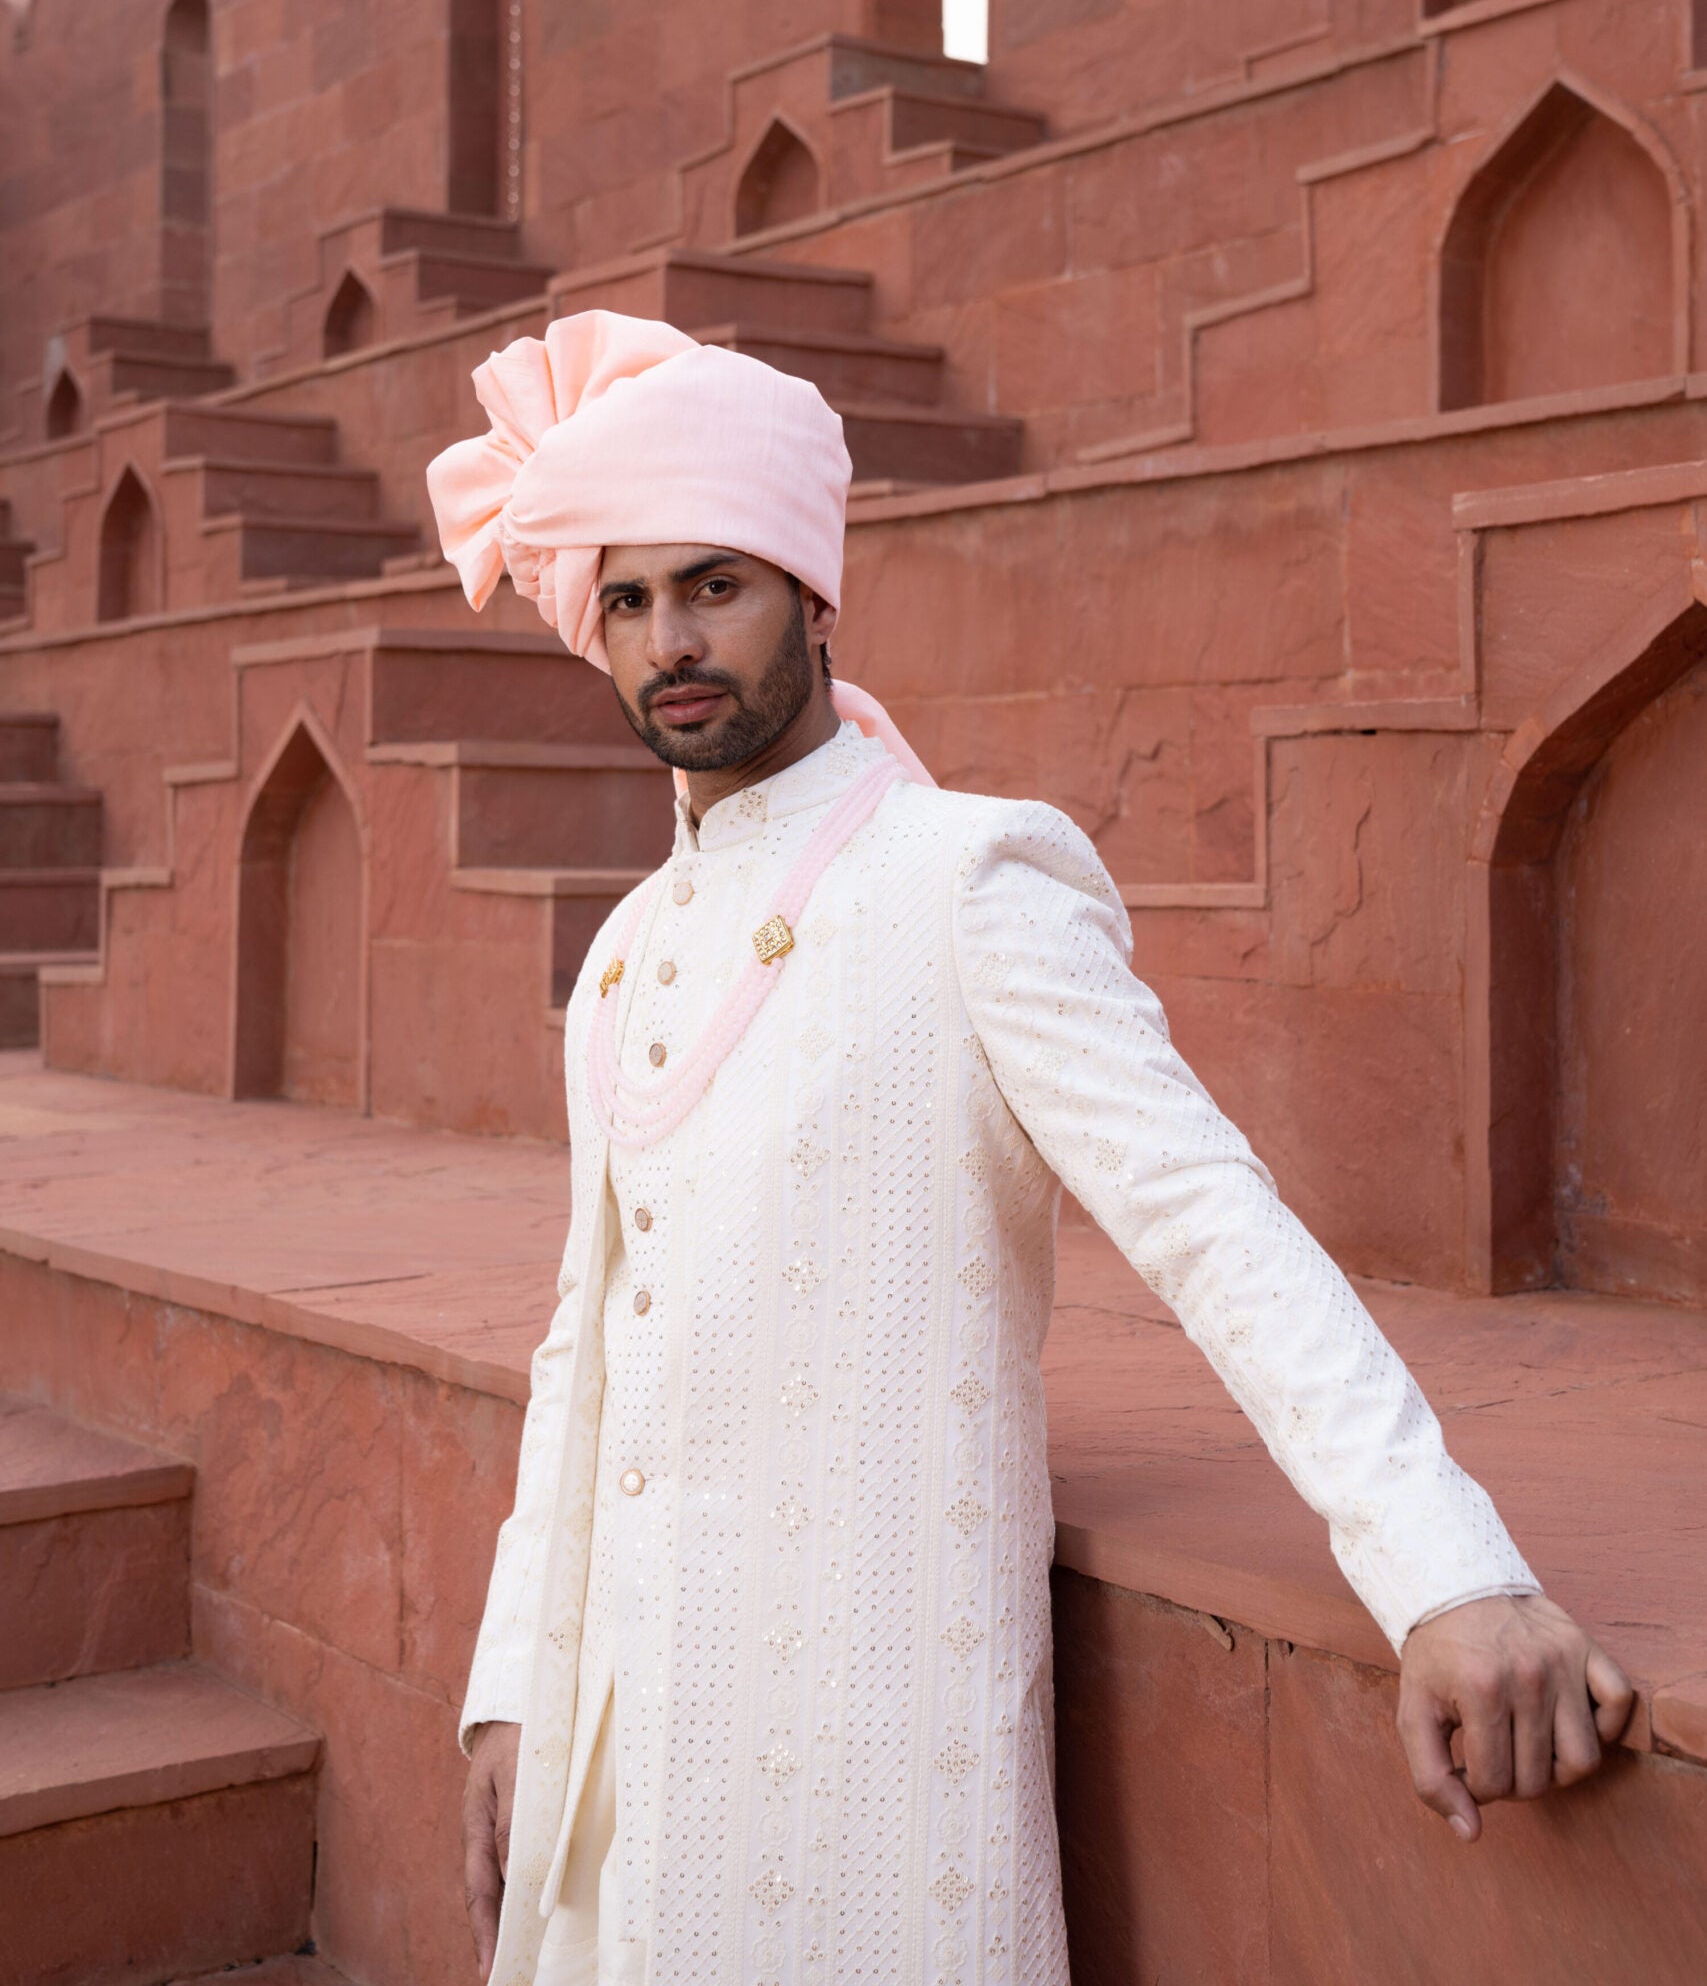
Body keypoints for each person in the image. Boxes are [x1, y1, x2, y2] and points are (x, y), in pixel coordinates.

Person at [427, 311, 1632, 1986]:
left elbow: (1210, 1223)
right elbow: (587, 1341)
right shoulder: (629, 948)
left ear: (814, 595)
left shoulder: (966, 879)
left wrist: (1446, 1573)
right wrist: (517, 1687)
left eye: (714, 584)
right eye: (625, 602)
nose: (669, 641)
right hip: (619, 1750)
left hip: (866, 1742)